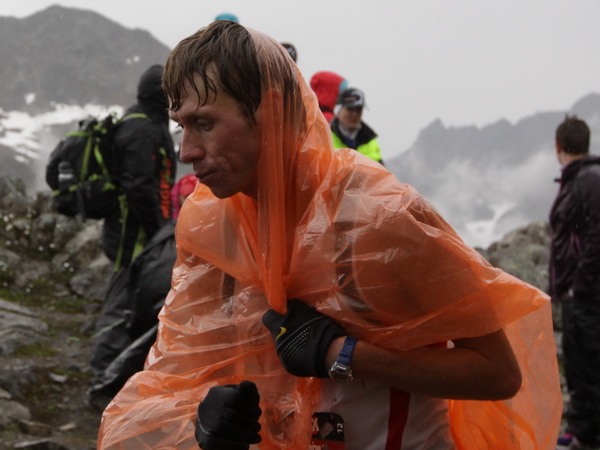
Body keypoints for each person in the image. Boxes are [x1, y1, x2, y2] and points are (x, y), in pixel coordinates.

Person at [98, 21, 561, 449]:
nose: (187, 151)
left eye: (205, 124)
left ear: (271, 110)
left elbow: (499, 374)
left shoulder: (379, 218)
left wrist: (341, 354)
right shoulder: (212, 226)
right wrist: (204, 414)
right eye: (181, 126)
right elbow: (183, 368)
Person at [89, 64, 177, 411]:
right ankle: (103, 378)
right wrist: (159, 229)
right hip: (132, 234)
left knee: (131, 297)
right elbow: (139, 185)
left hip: (136, 232)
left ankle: (118, 373)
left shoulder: (146, 122)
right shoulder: (141, 128)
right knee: (121, 301)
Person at [550, 115, 600, 449]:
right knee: (578, 363)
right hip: (576, 294)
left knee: (587, 364)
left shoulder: (588, 180)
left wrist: (578, 285)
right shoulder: (579, 179)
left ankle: (588, 435)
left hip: (586, 295)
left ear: (557, 146)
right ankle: (582, 431)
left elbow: (596, 235)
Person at [330, 87, 384, 165]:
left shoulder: (370, 141)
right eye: (350, 109)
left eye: (358, 110)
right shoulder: (326, 138)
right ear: (338, 111)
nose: (354, 114)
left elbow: (381, 170)